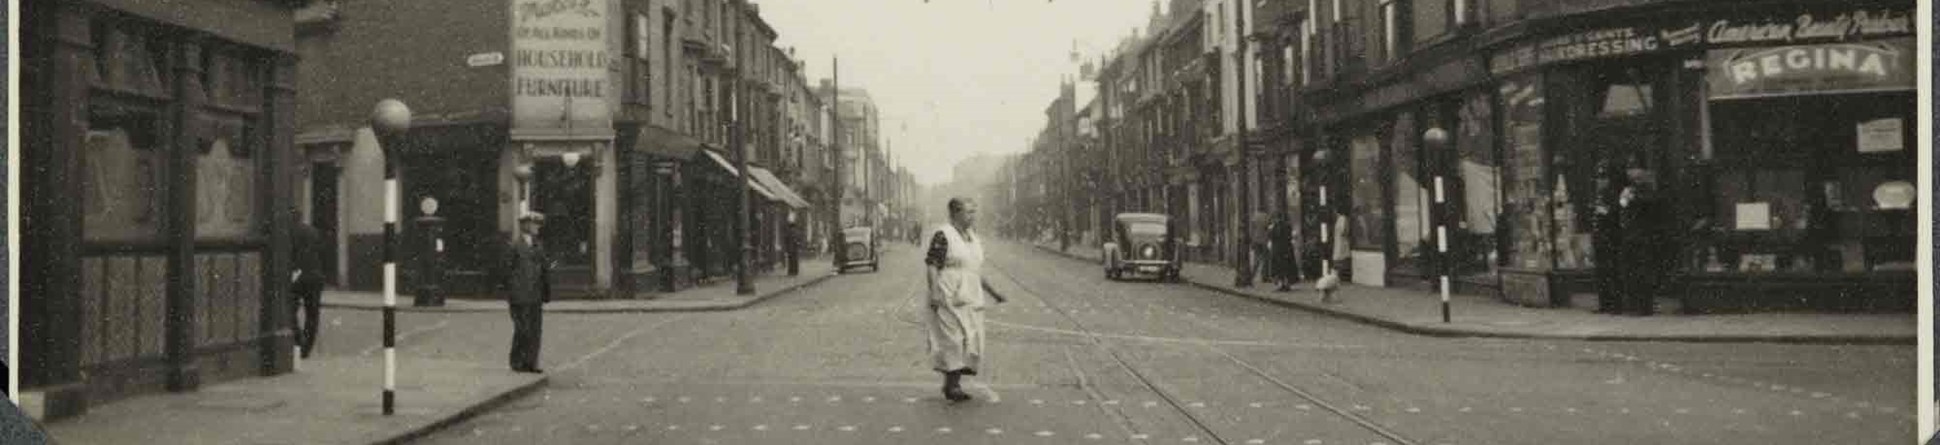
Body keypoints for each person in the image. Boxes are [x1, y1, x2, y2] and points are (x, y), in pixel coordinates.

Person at [923, 197, 1008, 402]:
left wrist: (993, 293)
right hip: (948, 291)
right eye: (969, 212)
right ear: (955, 213)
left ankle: (951, 383)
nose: (973, 216)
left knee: (971, 338)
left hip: (971, 294)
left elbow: (974, 269)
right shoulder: (943, 235)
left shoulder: (972, 237)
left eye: (974, 212)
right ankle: (952, 386)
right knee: (953, 338)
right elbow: (933, 265)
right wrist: (934, 292)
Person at [501, 212, 553, 373]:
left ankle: (531, 363)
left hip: (536, 295)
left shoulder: (538, 245)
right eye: (534, 224)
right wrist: (512, 293)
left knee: (535, 330)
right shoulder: (514, 246)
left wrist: (546, 292)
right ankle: (516, 361)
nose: (537, 227)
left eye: (538, 224)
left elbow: (544, 270)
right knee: (522, 330)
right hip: (519, 296)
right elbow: (506, 272)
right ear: (525, 226)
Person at [1617, 169, 1672, 316]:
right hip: (1632, 237)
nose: (1635, 183)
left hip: (1643, 238)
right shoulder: (1631, 192)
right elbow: (1622, 205)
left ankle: (1643, 306)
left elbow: (1646, 206)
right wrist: (1626, 198)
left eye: (1637, 179)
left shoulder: (1647, 194)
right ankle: (1636, 305)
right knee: (1633, 273)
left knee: (1642, 273)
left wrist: (1630, 198)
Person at [290, 221, 327, 358]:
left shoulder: (288, 232)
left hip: (297, 277)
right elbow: (321, 253)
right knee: (312, 314)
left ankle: (298, 342)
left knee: (289, 311)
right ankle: (306, 348)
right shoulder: (313, 231)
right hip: (315, 277)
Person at [1268, 212, 1299, 291]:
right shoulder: (1287, 226)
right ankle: (1286, 283)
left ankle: (1282, 283)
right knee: (1286, 267)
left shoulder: (1274, 227)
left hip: (1278, 249)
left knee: (1279, 268)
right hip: (1286, 249)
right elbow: (1291, 236)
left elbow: (1271, 237)